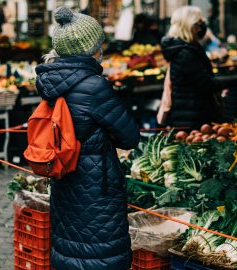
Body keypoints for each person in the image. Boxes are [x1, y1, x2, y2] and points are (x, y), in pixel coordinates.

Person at [35, 7, 140, 270]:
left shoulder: (50, 80)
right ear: (90, 49)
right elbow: (130, 137)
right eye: (99, 43)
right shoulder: (94, 86)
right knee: (100, 256)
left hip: (65, 182)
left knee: (69, 247)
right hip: (97, 189)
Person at [161, 6, 226, 128]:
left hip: (190, 113)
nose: (201, 29)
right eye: (198, 25)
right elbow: (204, 83)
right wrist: (225, 83)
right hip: (190, 119)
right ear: (188, 26)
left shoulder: (185, 48)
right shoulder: (185, 53)